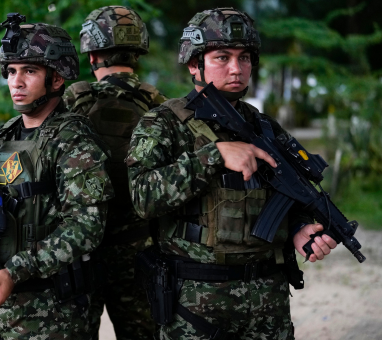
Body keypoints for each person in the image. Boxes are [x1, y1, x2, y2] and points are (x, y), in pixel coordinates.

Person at [126, 7, 337, 340]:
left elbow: (288, 191)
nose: (236, 69)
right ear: (194, 63)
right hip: (198, 301)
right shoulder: (164, 124)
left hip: (268, 298)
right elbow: (142, 198)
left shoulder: (263, 125)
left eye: (244, 58)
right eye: (222, 57)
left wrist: (298, 227)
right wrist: (213, 156)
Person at [0, 15, 113, 340]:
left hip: (51, 313)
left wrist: (16, 271)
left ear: (57, 79)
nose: (16, 82)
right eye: (11, 71)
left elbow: (85, 228)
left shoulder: (75, 140)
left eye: (30, 71)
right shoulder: (0, 136)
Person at [62, 5, 167, 340]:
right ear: (137, 53)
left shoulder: (72, 102)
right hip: (140, 250)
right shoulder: (160, 107)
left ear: (91, 56)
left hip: (79, 251)